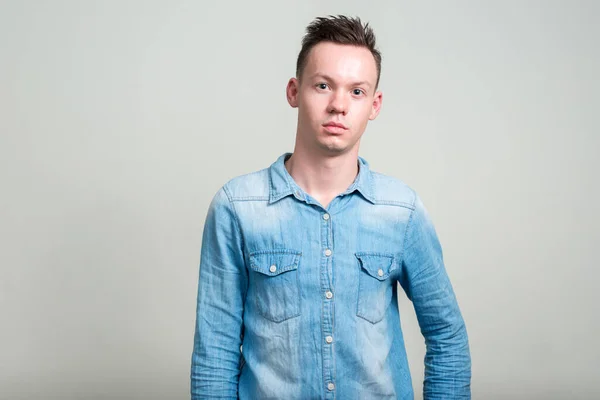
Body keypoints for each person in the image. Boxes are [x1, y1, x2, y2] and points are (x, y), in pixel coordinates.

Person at [190, 14, 471, 399]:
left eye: (357, 92)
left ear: (375, 104)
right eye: (323, 85)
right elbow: (215, 353)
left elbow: (446, 335)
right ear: (294, 91)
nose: (339, 105)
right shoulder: (238, 208)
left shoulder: (400, 211)